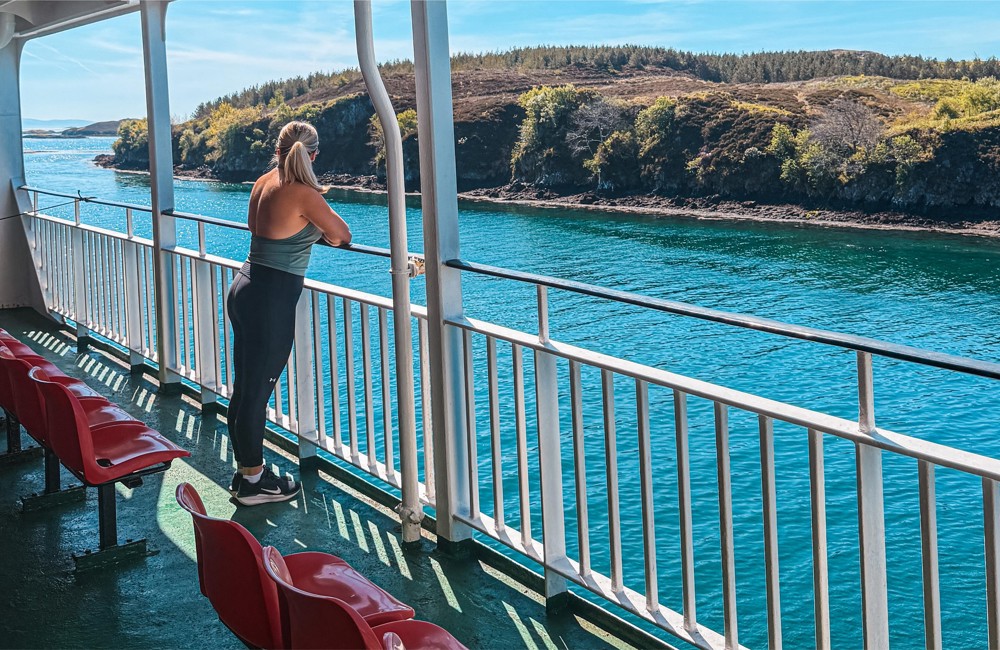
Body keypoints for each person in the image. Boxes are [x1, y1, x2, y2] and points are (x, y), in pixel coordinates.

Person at [226, 121, 351, 505]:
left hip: (244, 286)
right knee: (256, 395)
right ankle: (254, 482)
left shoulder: (263, 182)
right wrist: (313, 229)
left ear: (277, 151)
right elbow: (342, 235)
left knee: (245, 388)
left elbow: (254, 226)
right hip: (271, 300)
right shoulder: (304, 194)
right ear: (312, 156)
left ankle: (247, 471)